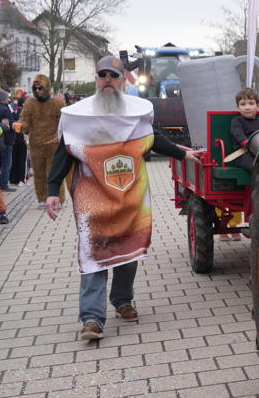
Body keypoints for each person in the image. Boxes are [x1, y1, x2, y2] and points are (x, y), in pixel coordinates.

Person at [45, 56, 201, 340]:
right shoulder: (76, 116)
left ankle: (123, 300)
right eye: (102, 74)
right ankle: (92, 318)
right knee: (93, 251)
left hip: (130, 195)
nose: (107, 79)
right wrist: (52, 191)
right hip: (92, 198)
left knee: (128, 248)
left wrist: (182, 152)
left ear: (121, 80)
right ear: (96, 79)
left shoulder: (137, 112)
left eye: (113, 75)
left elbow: (152, 137)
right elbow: (62, 153)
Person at [20, 74, 65, 207]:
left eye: (40, 88)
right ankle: (41, 198)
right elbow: (25, 120)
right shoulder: (30, 102)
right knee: (39, 173)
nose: (38, 91)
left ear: (47, 88)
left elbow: (63, 122)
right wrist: (21, 126)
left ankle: (58, 198)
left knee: (54, 173)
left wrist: (60, 137)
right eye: (36, 88)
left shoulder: (58, 102)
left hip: (53, 143)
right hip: (36, 144)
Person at [229, 87, 259, 172]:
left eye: (251, 103)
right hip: (243, 154)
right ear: (238, 107)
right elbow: (237, 132)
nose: (247, 107)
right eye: (243, 104)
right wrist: (245, 142)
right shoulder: (237, 121)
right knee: (256, 167)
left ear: (258, 106)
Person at [0, 89, 17, 191]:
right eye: (6, 97)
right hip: (7, 138)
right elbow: (9, 123)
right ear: (2, 98)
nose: (8, 99)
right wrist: (14, 125)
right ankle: (4, 184)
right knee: (6, 162)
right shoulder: (5, 109)